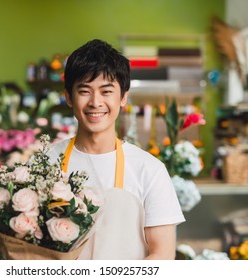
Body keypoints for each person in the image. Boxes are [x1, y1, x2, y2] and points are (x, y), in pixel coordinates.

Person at [47, 39, 185, 260]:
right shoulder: (47, 162)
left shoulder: (149, 169)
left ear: (123, 97)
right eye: (84, 91)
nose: (95, 102)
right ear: (68, 97)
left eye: (106, 91)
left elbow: (163, 254)